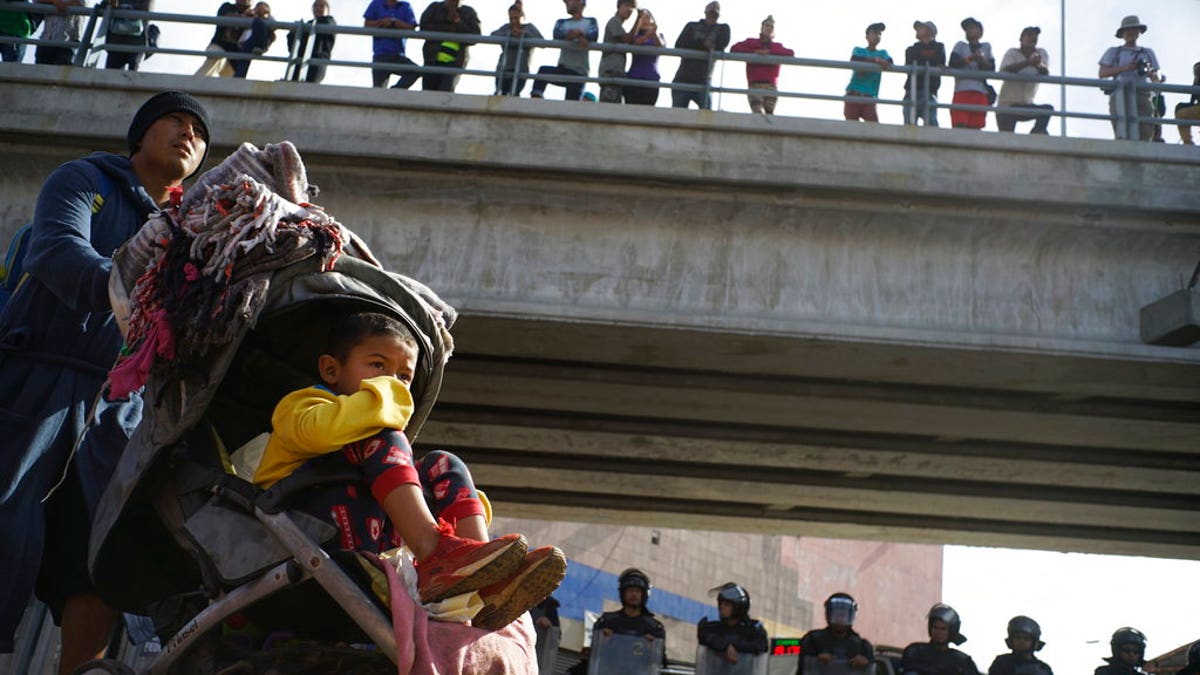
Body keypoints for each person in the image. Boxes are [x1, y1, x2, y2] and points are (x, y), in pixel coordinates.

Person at [0, 91, 210, 674]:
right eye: (176, 120)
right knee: (4, 525)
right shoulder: (84, 179)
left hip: (119, 409)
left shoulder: (194, 231)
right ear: (140, 134)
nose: (188, 133)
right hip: (33, 382)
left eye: (199, 131)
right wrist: (133, 299)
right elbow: (57, 249)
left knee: (99, 555)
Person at [255, 311, 564, 630]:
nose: (392, 383)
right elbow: (321, 433)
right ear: (331, 370)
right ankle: (436, 553)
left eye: (404, 377)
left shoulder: (380, 445)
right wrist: (389, 395)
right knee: (385, 439)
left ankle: (482, 576)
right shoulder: (302, 406)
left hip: (375, 545)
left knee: (443, 463)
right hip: (303, 532)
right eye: (377, 366)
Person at [1098, 15, 1162, 141]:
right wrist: (1125, 68)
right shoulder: (1114, 52)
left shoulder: (1147, 52)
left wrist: (1152, 74)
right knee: (1122, 129)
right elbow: (1102, 73)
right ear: (1122, 33)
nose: (1131, 32)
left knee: (1146, 130)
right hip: (1119, 94)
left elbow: (1157, 75)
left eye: (1134, 29)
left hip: (1143, 94)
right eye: (1127, 30)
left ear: (1139, 32)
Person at [530, 0, 598, 101]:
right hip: (563, 67)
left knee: (571, 106)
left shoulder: (591, 21)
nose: (566, 3)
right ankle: (536, 98)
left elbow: (593, 36)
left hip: (579, 71)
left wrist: (578, 35)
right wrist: (577, 36)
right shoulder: (561, 22)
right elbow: (557, 35)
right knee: (543, 71)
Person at [729, 15, 794, 115]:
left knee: (769, 116)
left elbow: (790, 53)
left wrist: (770, 52)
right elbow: (734, 49)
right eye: (767, 25)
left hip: (771, 86)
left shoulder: (776, 46)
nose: (769, 28)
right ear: (762, 27)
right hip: (755, 85)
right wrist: (754, 52)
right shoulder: (751, 42)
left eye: (771, 27)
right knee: (758, 114)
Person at [797, 593, 875, 675]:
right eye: (837, 614)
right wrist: (816, 660)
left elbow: (870, 669)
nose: (840, 619)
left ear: (851, 615)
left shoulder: (862, 646)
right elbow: (804, 668)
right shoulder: (813, 639)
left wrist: (866, 663)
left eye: (843, 615)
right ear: (828, 614)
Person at [671, 1, 729, 110]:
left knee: (707, 116)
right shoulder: (691, 26)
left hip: (703, 80)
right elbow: (679, 45)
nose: (712, 15)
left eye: (715, 13)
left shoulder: (723, 28)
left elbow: (721, 45)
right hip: (683, 78)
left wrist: (697, 43)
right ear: (705, 12)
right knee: (677, 116)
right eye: (711, 12)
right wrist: (705, 44)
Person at [996, 27, 1053, 134]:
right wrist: (1027, 62)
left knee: (1047, 110)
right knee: (1006, 140)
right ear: (1021, 38)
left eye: (1035, 36)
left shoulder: (1041, 54)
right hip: (1007, 106)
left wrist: (1037, 64)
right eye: (1029, 35)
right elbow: (1004, 70)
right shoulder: (1012, 53)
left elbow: (1045, 72)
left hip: (1026, 105)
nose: (1033, 38)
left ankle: (1036, 133)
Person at [698, 582, 769, 667]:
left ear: (739, 607)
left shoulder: (754, 629)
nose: (722, 607)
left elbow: (761, 646)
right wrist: (725, 646)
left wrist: (734, 646)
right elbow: (704, 634)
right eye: (721, 603)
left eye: (727, 604)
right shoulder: (712, 626)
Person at [418, 0, 481, 92]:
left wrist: (458, 22)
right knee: (427, 95)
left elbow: (475, 36)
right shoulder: (434, 8)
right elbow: (423, 27)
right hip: (431, 60)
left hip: (454, 64)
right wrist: (448, 29)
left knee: (444, 95)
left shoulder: (468, 12)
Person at [901, 604, 982, 675]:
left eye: (943, 629)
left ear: (951, 631)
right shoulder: (916, 651)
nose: (938, 632)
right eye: (935, 627)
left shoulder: (962, 660)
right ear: (930, 628)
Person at [594, 568, 666, 641]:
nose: (634, 594)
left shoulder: (653, 628)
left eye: (638, 591)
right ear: (623, 593)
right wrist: (603, 639)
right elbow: (596, 648)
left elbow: (659, 651)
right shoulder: (607, 622)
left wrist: (652, 646)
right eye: (630, 590)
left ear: (643, 595)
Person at [948, 17, 994, 130]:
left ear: (980, 32)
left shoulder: (986, 47)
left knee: (976, 129)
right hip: (961, 91)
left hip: (980, 92)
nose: (969, 31)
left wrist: (982, 61)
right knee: (959, 127)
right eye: (967, 29)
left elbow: (991, 69)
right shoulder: (960, 46)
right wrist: (970, 58)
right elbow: (952, 63)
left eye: (972, 28)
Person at [363, 0, 419, 89]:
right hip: (380, 55)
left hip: (397, 55)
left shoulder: (405, 6)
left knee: (415, 71)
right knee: (378, 90)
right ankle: (389, 95)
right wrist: (381, 22)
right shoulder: (376, 3)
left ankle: (394, 91)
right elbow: (367, 25)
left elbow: (412, 28)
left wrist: (394, 22)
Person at [490, 2, 542, 96]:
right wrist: (509, 34)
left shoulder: (529, 27)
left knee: (514, 96)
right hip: (504, 68)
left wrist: (524, 34)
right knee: (499, 95)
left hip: (520, 70)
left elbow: (541, 42)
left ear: (521, 16)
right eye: (511, 19)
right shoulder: (506, 28)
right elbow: (493, 36)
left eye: (516, 18)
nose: (513, 21)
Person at [844, 22, 893, 122]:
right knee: (851, 129)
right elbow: (854, 60)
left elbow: (889, 63)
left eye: (879, 34)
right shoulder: (858, 50)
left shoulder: (883, 53)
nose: (877, 36)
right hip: (853, 95)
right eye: (875, 33)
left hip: (869, 97)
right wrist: (877, 61)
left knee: (874, 128)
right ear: (867, 36)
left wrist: (877, 61)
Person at [903, 20, 946, 127]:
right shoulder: (911, 49)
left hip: (930, 92)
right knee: (909, 124)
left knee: (932, 123)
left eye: (921, 28)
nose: (917, 30)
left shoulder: (939, 47)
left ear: (930, 31)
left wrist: (927, 60)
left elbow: (940, 62)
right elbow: (910, 62)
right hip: (911, 91)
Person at [286, 0, 335, 84]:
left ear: (327, 10)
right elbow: (293, 48)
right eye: (315, 6)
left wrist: (302, 28)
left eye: (321, 6)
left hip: (317, 61)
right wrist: (293, 32)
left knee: (309, 85)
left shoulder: (329, 22)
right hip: (301, 60)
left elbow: (326, 24)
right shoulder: (307, 25)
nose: (318, 8)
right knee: (293, 84)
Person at [598, 0, 637, 104]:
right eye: (626, 6)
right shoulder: (614, 21)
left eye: (632, 8)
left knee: (614, 104)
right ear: (619, 6)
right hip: (611, 71)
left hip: (615, 72)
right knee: (608, 105)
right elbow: (628, 39)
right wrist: (639, 20)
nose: (629, 10)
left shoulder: (618, 25)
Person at [623, 8, 663, 105]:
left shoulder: (658, 35)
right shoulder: (634, 35)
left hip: (651, 78)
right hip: (634, 77)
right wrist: (646, 36)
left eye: (647, 18)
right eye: (642, 18)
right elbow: (634, 44)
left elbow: (661, 45)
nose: (645, 21)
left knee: (648, 111)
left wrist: (653, 34)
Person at [988, 616, 1052, 675]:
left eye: (1026, 638)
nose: (1021, 641)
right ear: (1011, 640)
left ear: (1034, 643)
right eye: (1017, 637)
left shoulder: (1043, 669)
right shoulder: (1002, 662)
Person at [230, 1, 274, 78]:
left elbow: (274, 25)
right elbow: (238, 24)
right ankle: (238, 78)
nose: (258, 10)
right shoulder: (250, 16)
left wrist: (266, 14)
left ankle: (260, 48)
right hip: (246, 42)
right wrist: (248, 15)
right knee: (243, 59)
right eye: (257, 7)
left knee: (258, 22)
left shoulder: (267, 20)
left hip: (259, 42)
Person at [34, 0, 84, 65]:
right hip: (46, 40)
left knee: (61, 73)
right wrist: (55, 1)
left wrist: (61, 4)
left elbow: (81, 4)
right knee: (40, 73)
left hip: (67, 43)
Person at [1173, 61, 1200, 144]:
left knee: (1182, 112)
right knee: (1181, 111)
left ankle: (1188, 142)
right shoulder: (1197, 81)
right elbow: (1193, 99)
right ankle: (1188, 142)